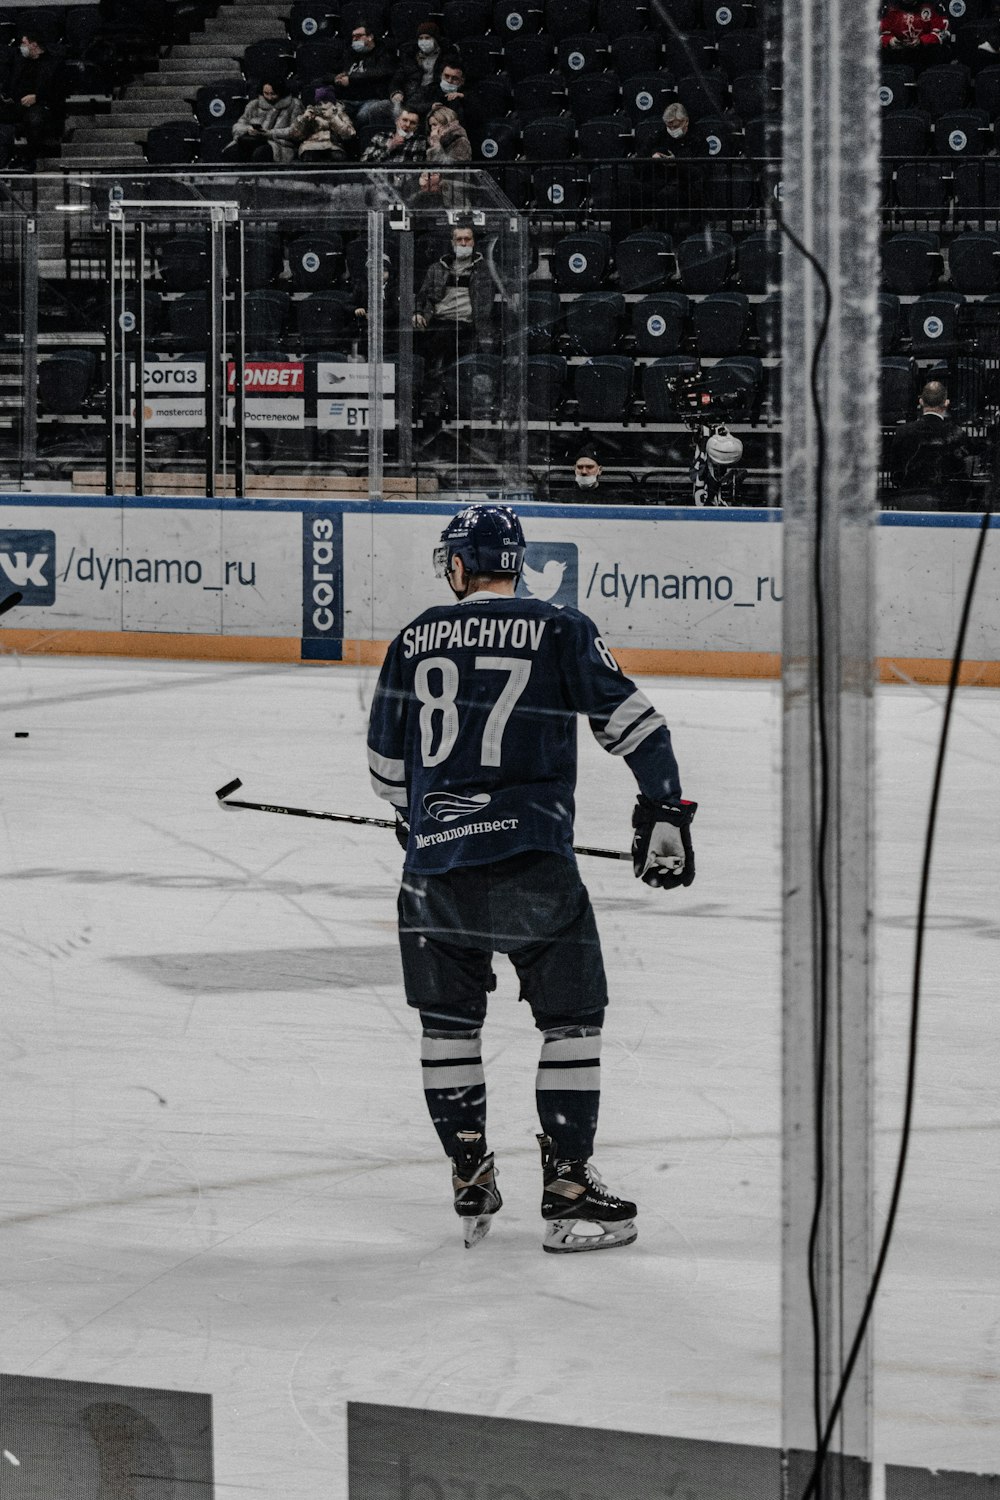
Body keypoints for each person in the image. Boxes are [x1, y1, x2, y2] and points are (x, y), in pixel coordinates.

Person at [366, 504, 697, 1252]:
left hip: (435, 874)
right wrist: (665, 808)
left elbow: (388, 772)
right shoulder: (559, 627)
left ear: (459, 565)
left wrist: (417, 816)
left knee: (447, 1027)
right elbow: (638, 724)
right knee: (572, 1021)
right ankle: (569, 1190)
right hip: (534, 865)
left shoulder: (414, 638)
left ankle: (469, 1173)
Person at [414, 223, 493, 372]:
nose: (463, 243)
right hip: (438, 322)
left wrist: (514, 295)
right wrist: (417, 313)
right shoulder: (436, 268)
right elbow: (422, 296)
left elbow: (508, 284)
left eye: (467, 239)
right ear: (452, 243)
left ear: (473, 242)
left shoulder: (485, 269)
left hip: (468, 325)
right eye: (459, 239)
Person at [889, 380, 974, 509]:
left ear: (921, 402)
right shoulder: (957, 433)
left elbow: (895, 471)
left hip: (910, 499)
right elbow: (962, 474)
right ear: (946, 403)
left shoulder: (902, 432)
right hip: (946, 503)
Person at [0, 30, 66, 168]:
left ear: (34, 45)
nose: (21, 47)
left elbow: (58, 92)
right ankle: (5, 157)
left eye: (24, 43)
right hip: (19, 103)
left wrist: (37, 97)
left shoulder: (54, 64)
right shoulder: (20, 62)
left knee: (34, 119)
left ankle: (31, 159)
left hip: (43, 104)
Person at [334, 22, 398, 127]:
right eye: (353, 36)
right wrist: (335, 78)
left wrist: (351, 79)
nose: (354, 39)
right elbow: (330, 72)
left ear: (370, 37)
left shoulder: (383, 53)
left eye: (358, 36)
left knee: (363, 115)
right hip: (348, 99)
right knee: (332, 112)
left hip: (372, 98)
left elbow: (380, 73)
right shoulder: (349, 54)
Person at [227, 79, 303, 162]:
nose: (269, 97)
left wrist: (269, 133)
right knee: (231, 152)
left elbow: (296, 131)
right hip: (253, 140)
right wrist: (248, 129)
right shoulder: (254, 105)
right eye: (266, 94)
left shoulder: (294, 105)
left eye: (273, 94)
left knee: (260, 154)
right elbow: (238, 125)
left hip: (279, 145)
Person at [388, 20, 450, 114]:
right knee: (378, 108)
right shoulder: (410, 55)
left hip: (430, 98)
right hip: (408, 95)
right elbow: (397, 78)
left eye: (427, 38)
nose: (423, 41)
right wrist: (396, 92)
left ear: (436, 39)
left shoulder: (446, 57)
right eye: (420, 38)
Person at [291, 86, 356, 164]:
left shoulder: (340, 114)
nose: (322, 106)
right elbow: (296, 135)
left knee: (336, 156)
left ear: (332, 103)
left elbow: (349, 134)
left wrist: (334, 118)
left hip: (333, 146)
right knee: (310, 156)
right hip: (311, 146)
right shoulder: (312, 113)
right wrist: (304, 119)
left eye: (325, 102)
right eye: (319, 103)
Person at [360, 102, 427, 164]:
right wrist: (389, 147)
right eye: (404, 120)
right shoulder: (380, 136)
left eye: (413, 123)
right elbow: (364, 162)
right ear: (397, 121)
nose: (407, 125)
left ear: (416, 127)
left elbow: (416, 169)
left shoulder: (420, 141)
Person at [879, 1, 951, 50]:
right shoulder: (888, 7)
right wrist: (890, 41)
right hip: (895, 57)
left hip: (927, 56)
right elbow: (878, 34)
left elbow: (944, 33)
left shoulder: (932, 5)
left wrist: (922, 41)